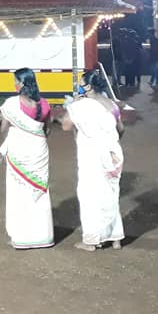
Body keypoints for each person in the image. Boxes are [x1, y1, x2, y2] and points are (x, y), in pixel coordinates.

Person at [60, 77, 125, 251]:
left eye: (81, 84)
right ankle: (115, 237)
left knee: (89, 196)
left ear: (88, 87)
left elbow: (66, 126)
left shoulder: (80, 106)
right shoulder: (111, 104)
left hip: (92, 155)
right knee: (111, 195)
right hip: (113, 155)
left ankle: (91, 240)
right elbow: (121, 129)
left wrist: (72, 104)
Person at [0, 67, 54, 249]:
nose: (13, 84)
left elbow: (3, 129)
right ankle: (42, 237)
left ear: (21, 84)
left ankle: (22, 236)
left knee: (19, 193)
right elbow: (48, 130)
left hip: (19, 152)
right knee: (39, 191)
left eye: (15, 80)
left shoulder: (11, 105)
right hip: (39, 151)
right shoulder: (44, 104)